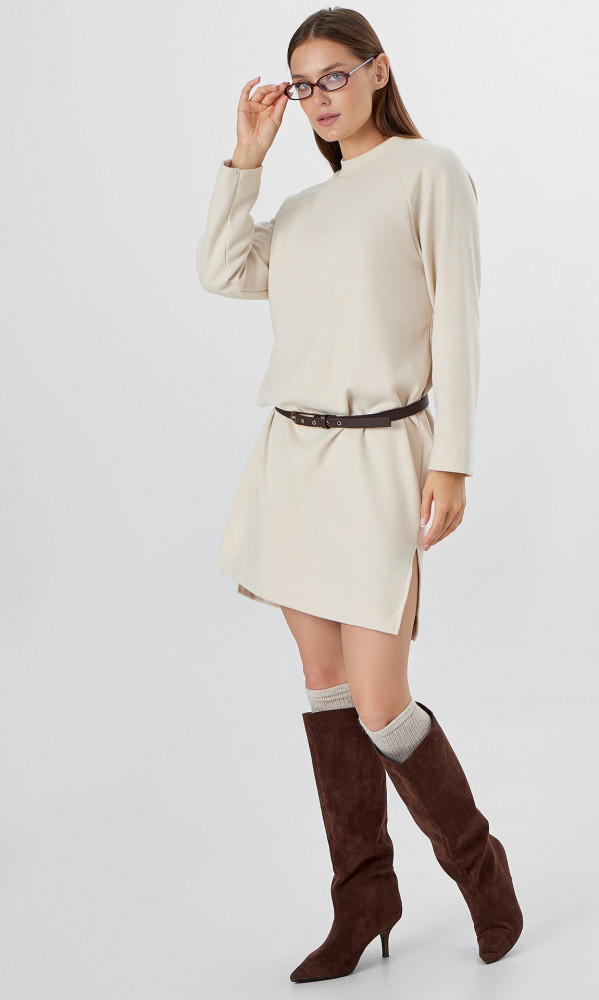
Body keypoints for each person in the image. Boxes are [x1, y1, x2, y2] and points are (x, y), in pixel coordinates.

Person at [196, 6, 522, 984]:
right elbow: (221, 269)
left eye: (334, 75)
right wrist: (246, 158)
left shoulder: (430, 172)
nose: (318, 98)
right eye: (303, 85)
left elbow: (457, 319)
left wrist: (452, 460)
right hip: (293, 463)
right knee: (327, 686)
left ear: (379, 71)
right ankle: (363, 895)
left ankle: (481, 870)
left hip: (383, 457)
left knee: (383, 702)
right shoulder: (302, 210)